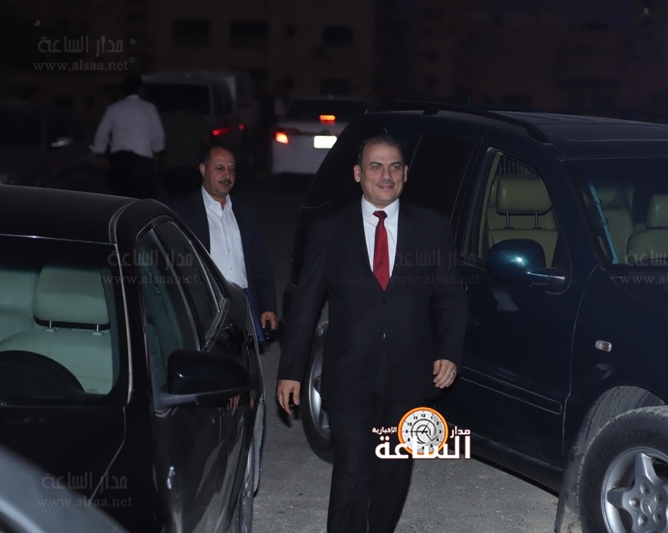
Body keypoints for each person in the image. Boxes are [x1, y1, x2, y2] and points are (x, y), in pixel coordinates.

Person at [276, 135, 468, 532]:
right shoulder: (329, 230)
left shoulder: (431, 228)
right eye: (376, 167)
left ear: (406, 174)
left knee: (394, 469)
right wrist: (291, 371)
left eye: (395, 167)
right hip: (349, 372)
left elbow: (451, 299)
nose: (386, 176)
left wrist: (449, 351)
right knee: (352, 468)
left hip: (409, 374)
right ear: (357, 174)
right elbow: (305, 307)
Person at [163, 143, 278, 346]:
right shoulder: (182, 211)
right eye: (220, 168)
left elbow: (259, 265)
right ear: (203, 169)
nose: (227, 175)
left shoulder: (245, 213)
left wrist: (267, 306)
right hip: (204, 305)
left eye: (232, 169)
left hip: (243, 302)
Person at [93, 73, 165, 198]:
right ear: (140, 89)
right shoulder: (148, 108)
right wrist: (157, 151)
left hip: (119, 162)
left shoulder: (113, 108)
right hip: (142, 161)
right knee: (145, 200)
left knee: (123, 199)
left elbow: (101, 134)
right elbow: (159, 134)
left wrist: (100, 153)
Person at [159, 102, 210, 196]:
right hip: (192, 167)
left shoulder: (165, 120)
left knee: (173, 199)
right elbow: (207, 142)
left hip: (170, 167)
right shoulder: (198, 120)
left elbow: (157, 141)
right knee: (190, 199)